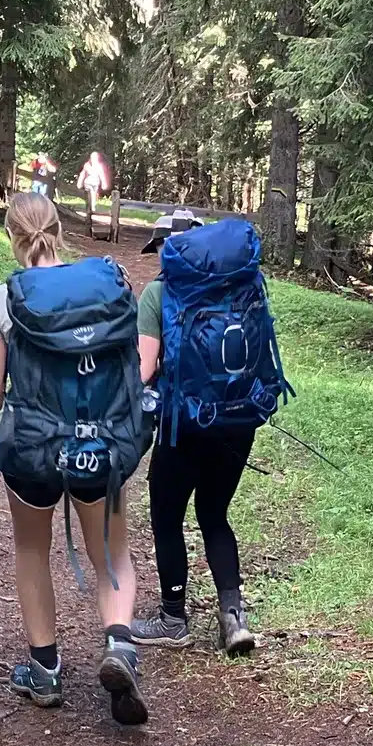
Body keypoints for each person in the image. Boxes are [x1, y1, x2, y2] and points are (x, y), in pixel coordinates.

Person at [0, 192, 149, 727]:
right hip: (102, 447)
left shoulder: (3, 301)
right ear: (57, 230)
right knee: (111, 553)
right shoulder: (109, 287)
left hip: (33, 450)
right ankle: (119, 645)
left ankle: (45, 670)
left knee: (32, 551)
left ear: (12, 235)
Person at [131, 213, 291, 655]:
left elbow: (144, 370)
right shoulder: (245, 284)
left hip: (184, 424)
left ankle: (172, 618)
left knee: (167, 516)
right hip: (239, 420)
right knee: (214, 514)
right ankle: (233, 617)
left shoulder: (158, 293)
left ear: (168, 248)